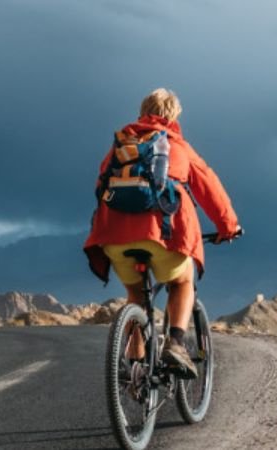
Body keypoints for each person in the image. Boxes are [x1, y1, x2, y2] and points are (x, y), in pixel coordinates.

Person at [84, 88, 240, 377]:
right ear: (173, 115)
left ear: (142, 112)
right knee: (182, 282)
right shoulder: (177, 145)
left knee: (135, 294)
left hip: (113, 235)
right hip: (164, 233)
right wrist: (228, 227)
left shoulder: (120, 146)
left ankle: (134, 366)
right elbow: (210, 189)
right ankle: (176, 345)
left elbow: (100, 187)